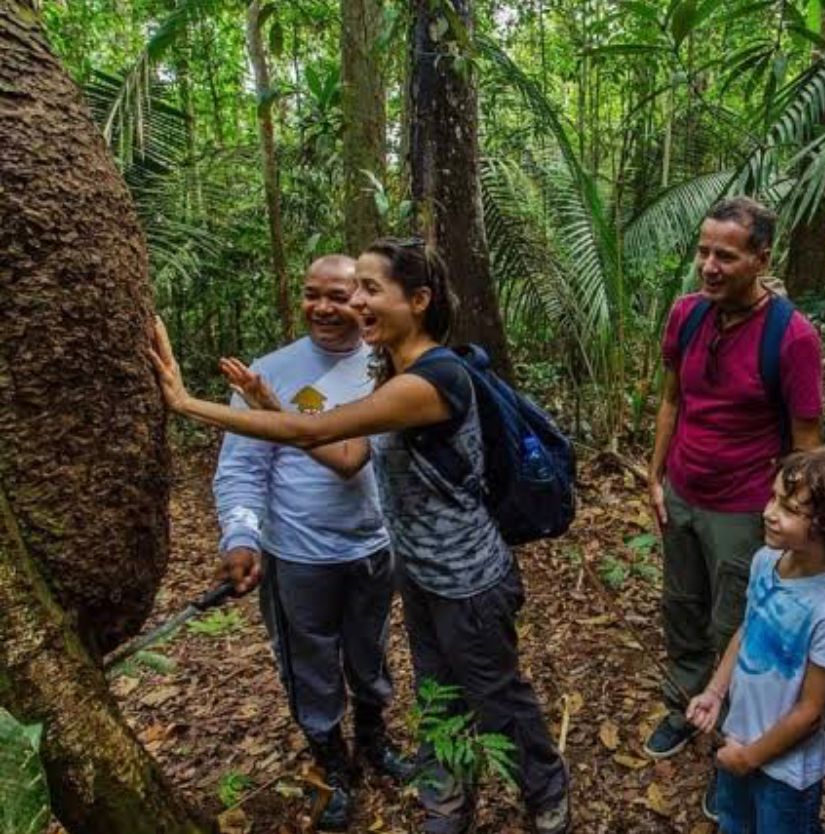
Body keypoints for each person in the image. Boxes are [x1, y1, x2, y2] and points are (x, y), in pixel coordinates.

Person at [153, 239, 570, 834]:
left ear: (419, 301)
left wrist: (185, 403)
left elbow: (311, 430)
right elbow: (348, 454)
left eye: (370, 290)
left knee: (496, 696)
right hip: (421, 575)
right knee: (438, 699)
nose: (356, 302)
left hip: (468, 579)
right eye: (356, 290)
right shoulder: (391, 372)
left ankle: (545, 789)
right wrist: (270, 402)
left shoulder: (434, 377)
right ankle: (445, 807)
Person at [645, 196, 825, 820]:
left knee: (734, 625)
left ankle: (725, 739)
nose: (709, 266)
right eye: (703, 251)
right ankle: (682, 705)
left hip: (746, 507)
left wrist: (791, 527)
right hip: (683, 494)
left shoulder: (791, 336)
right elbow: (672, 399)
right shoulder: (687, 316)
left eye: (726, 255)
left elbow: (807, 445)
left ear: (760, 259)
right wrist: (654, 473)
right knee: (682, 606)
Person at [212, 255, 406, 830]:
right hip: (298, 553)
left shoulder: (390, 366)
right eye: (311, 294)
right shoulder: (270, 372)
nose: (323, 308)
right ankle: (331, 762)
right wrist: (242, 535)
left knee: (369, 648)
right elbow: (241, 467)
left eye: (339, 296)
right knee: (308, 662)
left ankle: (375, 740)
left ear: (364, 301)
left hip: (373, 548)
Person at [686, 446, 825, 834]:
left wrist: (749, 759)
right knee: (733, 823)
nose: (768, 512)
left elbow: (811, 712)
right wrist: (714, 692)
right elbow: (748, 629)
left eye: (790, 509)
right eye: (774, 497)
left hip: (785, 771)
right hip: (739, 738)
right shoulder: (766, 559)